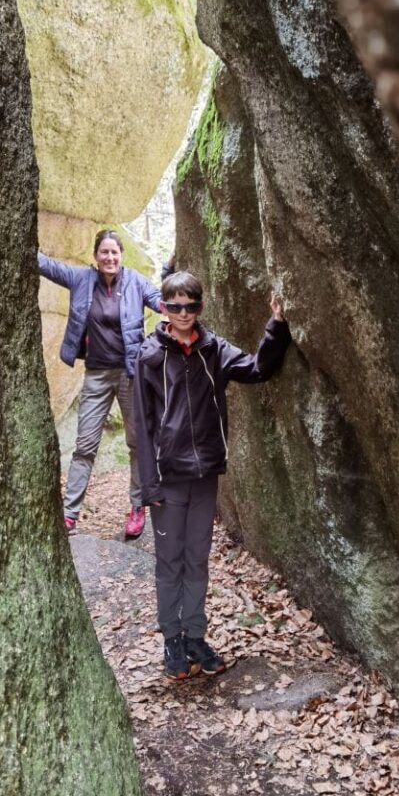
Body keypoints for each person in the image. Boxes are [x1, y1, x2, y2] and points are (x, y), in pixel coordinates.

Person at [133, 270, 291, 681]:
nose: (182, 313)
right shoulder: (150, 356)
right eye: (174, 306)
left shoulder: (214, 350)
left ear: (200, 308)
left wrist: (277, 325)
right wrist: (147, 485)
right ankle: (172, 639)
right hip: (167, 479)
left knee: (197, 559)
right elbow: (143, 427)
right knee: (170, 562)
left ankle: (195, 636)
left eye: (190, 306)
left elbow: (258, 369)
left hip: (204, 475)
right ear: (163, 308)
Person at [38, 229, 173, 538]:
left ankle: (138, 507)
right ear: (96, 256)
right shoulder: (81, 279)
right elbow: (48, 266)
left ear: (121, 256)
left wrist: (173, 298)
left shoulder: (135, 281)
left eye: (115, 252)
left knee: (138, 443)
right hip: (97, 375)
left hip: (130, 374)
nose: (110, 257)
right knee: (84, 445)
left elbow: (159, 301)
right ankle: (70, 513)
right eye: (104, 252)